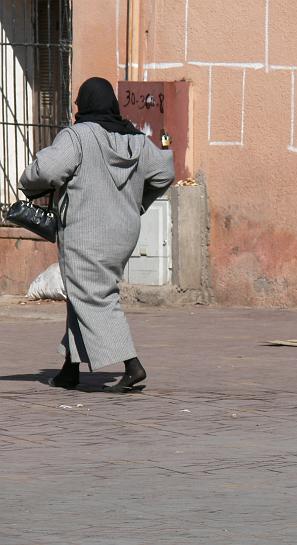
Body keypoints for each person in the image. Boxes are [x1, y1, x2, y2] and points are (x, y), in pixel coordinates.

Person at [19, 77, 175, 392]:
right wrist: (137, 204)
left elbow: (46, 171)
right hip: (123, 232)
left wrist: (29, 182)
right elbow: (165, 173)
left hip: (85, 231)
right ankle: (70, 369)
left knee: (95, 295)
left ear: (84, 105)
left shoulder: (78, 137)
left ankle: (132, 365)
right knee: (83, 292)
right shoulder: (136, 140)